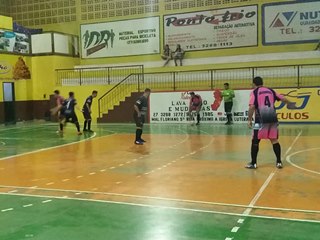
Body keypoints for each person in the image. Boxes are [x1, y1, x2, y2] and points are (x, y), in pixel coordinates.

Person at [246, 76, 295, 169]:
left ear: (254, 84)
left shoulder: (254, 92)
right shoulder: (270, 90)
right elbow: (283, 98)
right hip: (272, 118)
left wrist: (249, 120)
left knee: (255, 141)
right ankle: (279, 162)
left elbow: (252, 106)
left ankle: (253, 163)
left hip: (259, 120)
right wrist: (290, 103)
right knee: (274, 140)